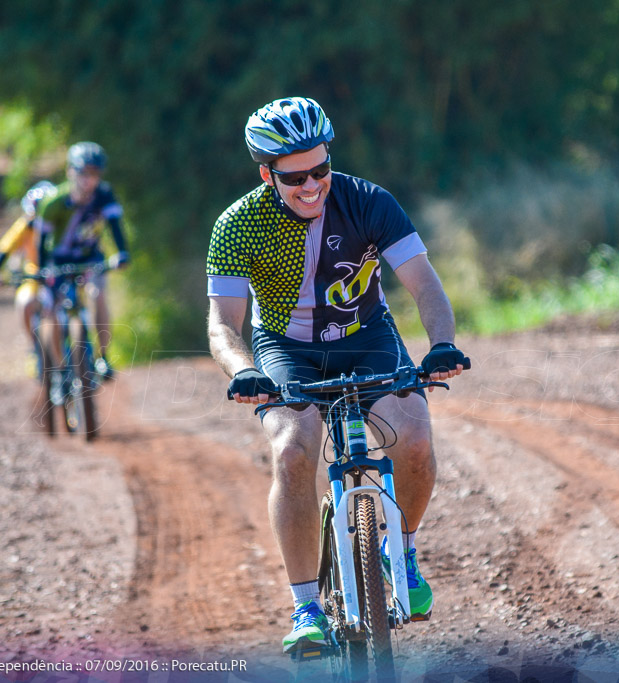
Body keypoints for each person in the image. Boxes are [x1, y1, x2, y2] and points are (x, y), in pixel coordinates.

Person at [206, 97, 469, 656]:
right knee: (292, 451)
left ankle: (404, 553)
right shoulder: (238, 225)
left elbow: (424, 284)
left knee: (415, 438)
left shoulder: (368, 201)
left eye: (320, 169)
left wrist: (442, 342)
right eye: (294, 176)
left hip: (367, 335)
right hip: (285, 348)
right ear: (266, 174)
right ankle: (306, 606)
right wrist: (243, 370)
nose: (310, 185)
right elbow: (223, 323)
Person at [35, 141, 130, 380]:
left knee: (98, 294)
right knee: (53, 312)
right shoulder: (53, 202)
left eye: (95, 174)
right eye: (84, 173)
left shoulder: (104, 195)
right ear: (70, 172)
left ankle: (102, 357)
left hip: (91, 259)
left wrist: (122, 253)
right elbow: (42, 242)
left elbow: (115, 227)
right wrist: (42, 270)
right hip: (59, 261)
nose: (90, 180)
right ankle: (58, 370)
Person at [0, 181, 58, 375]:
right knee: (25, 303)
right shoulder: (24, 226)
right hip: (34, 276)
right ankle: (35, 347)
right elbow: (4, 248)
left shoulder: (63, 224)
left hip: (60, 274)